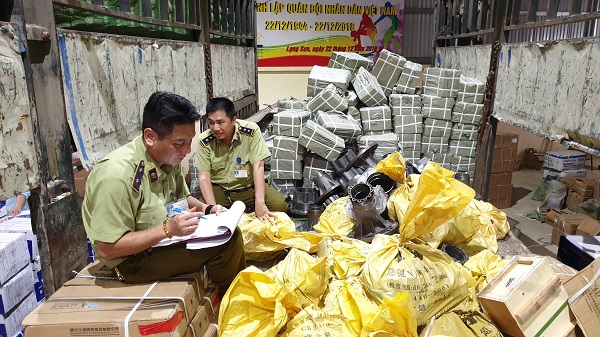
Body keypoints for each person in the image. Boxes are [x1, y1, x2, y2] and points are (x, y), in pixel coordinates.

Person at [82, 91, 246, 288]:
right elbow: (107, 248)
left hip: (161, 241)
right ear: (150, 137)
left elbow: (183, 198)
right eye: (179, 143)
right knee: (226, 244)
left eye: (189, 142)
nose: (186, 151)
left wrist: (208, 209)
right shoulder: (117, 176)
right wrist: (168, 229)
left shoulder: (167, 157)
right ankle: (230, 304)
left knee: (227, 233)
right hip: (131, 260)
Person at [195, 97, 288, 224]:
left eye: (220, 122)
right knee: (198, 212)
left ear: (233, 120)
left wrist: (259, 203)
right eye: (211, 123)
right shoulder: (204, 141)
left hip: (249, 187)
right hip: (221, 190)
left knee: (280, 206)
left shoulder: (250, 131)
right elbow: (204, 176)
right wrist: (212, 208)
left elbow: (258, 166)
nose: (215, 128)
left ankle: (250, 207)